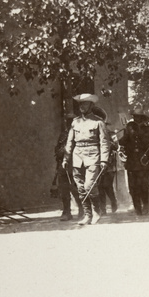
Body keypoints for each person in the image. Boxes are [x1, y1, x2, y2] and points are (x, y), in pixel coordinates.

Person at [64, 94, 110, 225]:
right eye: (80, 104)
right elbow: (69, 142)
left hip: (93, 156)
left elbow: (104, 143)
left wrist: (104, 160)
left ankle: (97, 211)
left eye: (84, 104)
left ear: (91, 105)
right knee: (80, 188)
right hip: (77, 156)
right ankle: (87, 214)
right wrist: (66, 158)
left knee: (89, 185)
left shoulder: (98, 122)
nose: (81, 106)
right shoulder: (75, 122)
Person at [118, 104, 149, 215]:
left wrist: (138, 132)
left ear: (142, 117)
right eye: (135, 116)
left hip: (143, 160)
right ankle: (137, 208)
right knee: (133, 186)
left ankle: (145, 205)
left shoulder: (147, 128)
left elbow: (147, 142)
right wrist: (128, 133)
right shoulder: (129, 127)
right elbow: (121, 142)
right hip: (132, 161)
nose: (137, 119)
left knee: (143, 185)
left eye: (139, 117)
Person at [55, 127, 83, 221]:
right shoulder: (63, 135)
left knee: (75, 190)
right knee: (64, 191)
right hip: (63, 168)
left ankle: (82, 209)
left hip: (74, 166)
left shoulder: (79, 133)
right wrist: (61, 151)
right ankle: (66, 211)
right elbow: (57, 151)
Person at [97, 110, 119, 216]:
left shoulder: (111, 133)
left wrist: (109, 143)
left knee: (107, 185)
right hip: (97, 161)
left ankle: (113, 201)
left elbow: (116, 146)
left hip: (109, 163)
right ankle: (103, 208)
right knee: (99, 185)